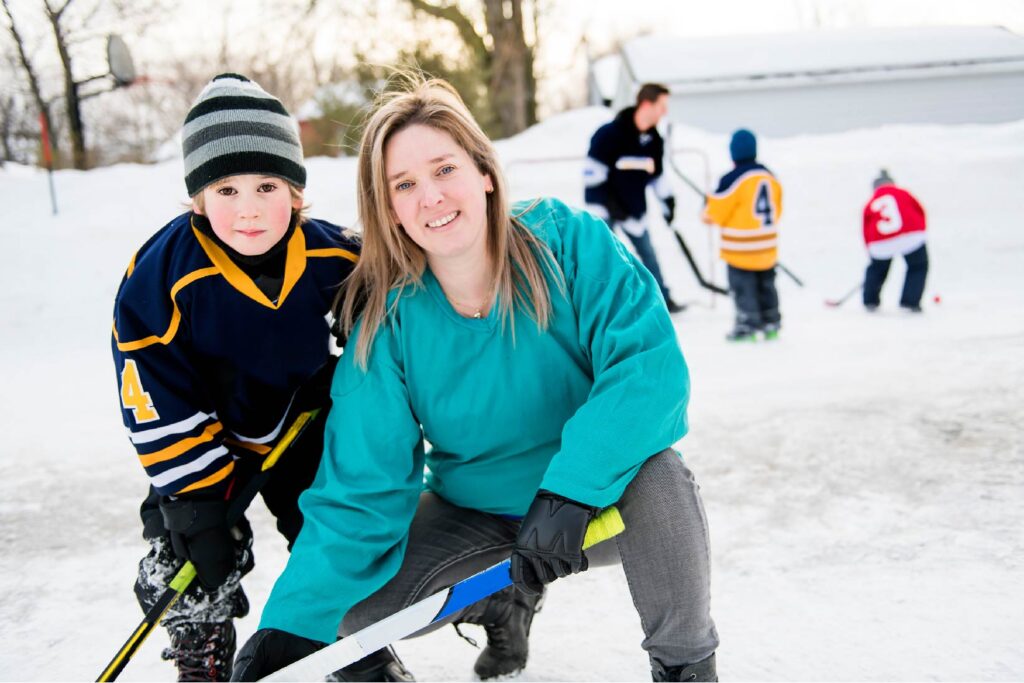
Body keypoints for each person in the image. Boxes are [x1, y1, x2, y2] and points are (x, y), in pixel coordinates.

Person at [231, 77, 719, 683]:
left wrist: (569, 492)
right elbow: (360, 484)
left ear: (483, 171)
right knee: (350, 610)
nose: (430, 196)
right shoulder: (388, 319)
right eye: (404, 185)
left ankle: (686, 667)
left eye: (444, 169)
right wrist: (291, 622)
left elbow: (649, 372)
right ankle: (504, 599)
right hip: (483, 515)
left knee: (662, 474)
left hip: (597, 505)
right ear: (388, 209)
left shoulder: (567, 242)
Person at [109, 73, 409, 681]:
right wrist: (196, 500)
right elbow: (151, 390)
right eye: (225, 188)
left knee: (331, 539)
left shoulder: (340, 257)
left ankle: (357, 651)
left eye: (267, 185)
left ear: (297, 191)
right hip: (205, 440)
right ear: (196, 199)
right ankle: (202, 648)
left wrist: (357, 354)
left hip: (303, 433)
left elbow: (392, 325)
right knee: (191, 553)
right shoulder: (160, 276)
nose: (248, 208)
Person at [584, 82, 686, 313]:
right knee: (602, 257)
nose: (665, 112)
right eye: (662, 106)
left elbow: (657, 177)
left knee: (648, 254)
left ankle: (662, 299)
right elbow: (592, 176)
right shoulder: (609, 135)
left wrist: (668, 202)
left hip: (633, 210)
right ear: (646, 104)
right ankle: (598, 307)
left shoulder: (654, 142)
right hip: (605, 211)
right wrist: (608, 205)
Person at [702, 128, 784, 341]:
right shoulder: (769, 176)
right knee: (767, 284)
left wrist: (707, 210)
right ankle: (771, 322)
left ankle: (747, 325)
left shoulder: (731, 179)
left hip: (740, 248)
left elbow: (716, 213)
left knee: (744, 288)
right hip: (766, 246)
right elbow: (778, 208)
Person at [861, 169, 929, 312]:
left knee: (877, 269)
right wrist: (921, 231)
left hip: (881, 242)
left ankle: (870, 300)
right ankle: (910, 301)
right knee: (917, 266)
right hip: (910, 237)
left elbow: (866, 226)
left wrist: (870, 249)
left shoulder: (872, 201)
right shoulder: (903, 193)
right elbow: (920, 210)